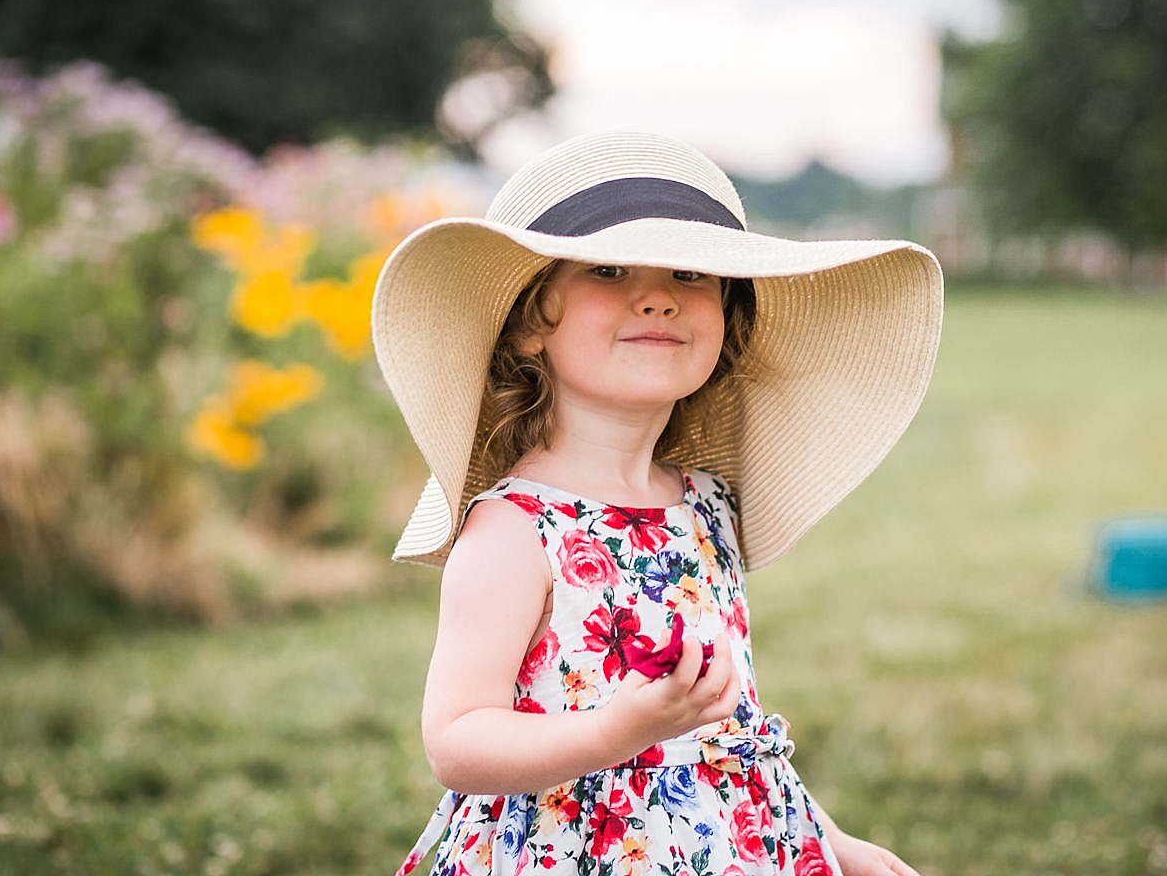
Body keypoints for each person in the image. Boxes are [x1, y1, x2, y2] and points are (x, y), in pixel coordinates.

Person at [371, 132, 944, 876]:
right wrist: (617, 731)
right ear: (529, 323)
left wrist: (831, 840)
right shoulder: (517, 530)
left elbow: (732, 729)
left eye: (690, 272)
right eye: (607, 269)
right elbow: (457, 740)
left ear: (726, 319)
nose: (659, 295)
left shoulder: (705, 506)